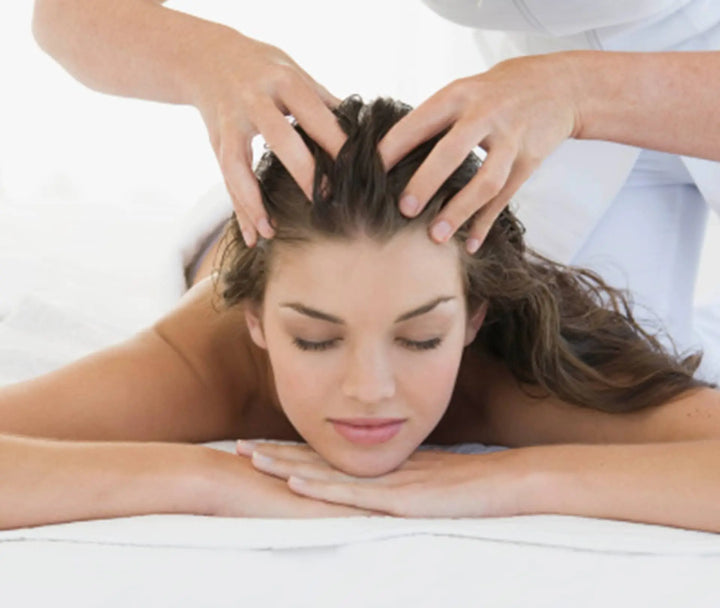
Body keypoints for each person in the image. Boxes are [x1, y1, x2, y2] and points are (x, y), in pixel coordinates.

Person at [1, 96, 719, 532]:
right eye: (314, 340)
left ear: (472, 321)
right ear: (257, 321)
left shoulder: (507, 371)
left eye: (420, 338)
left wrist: (510, 480)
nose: (370, 388)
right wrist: (205, 481)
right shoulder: (201, 364)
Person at [31, 0, 720, 382]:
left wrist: (582, 90)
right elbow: (68, 12)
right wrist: (210, 60)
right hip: (539, 99)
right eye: (314, 336)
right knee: (589, 369)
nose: (368, 391)